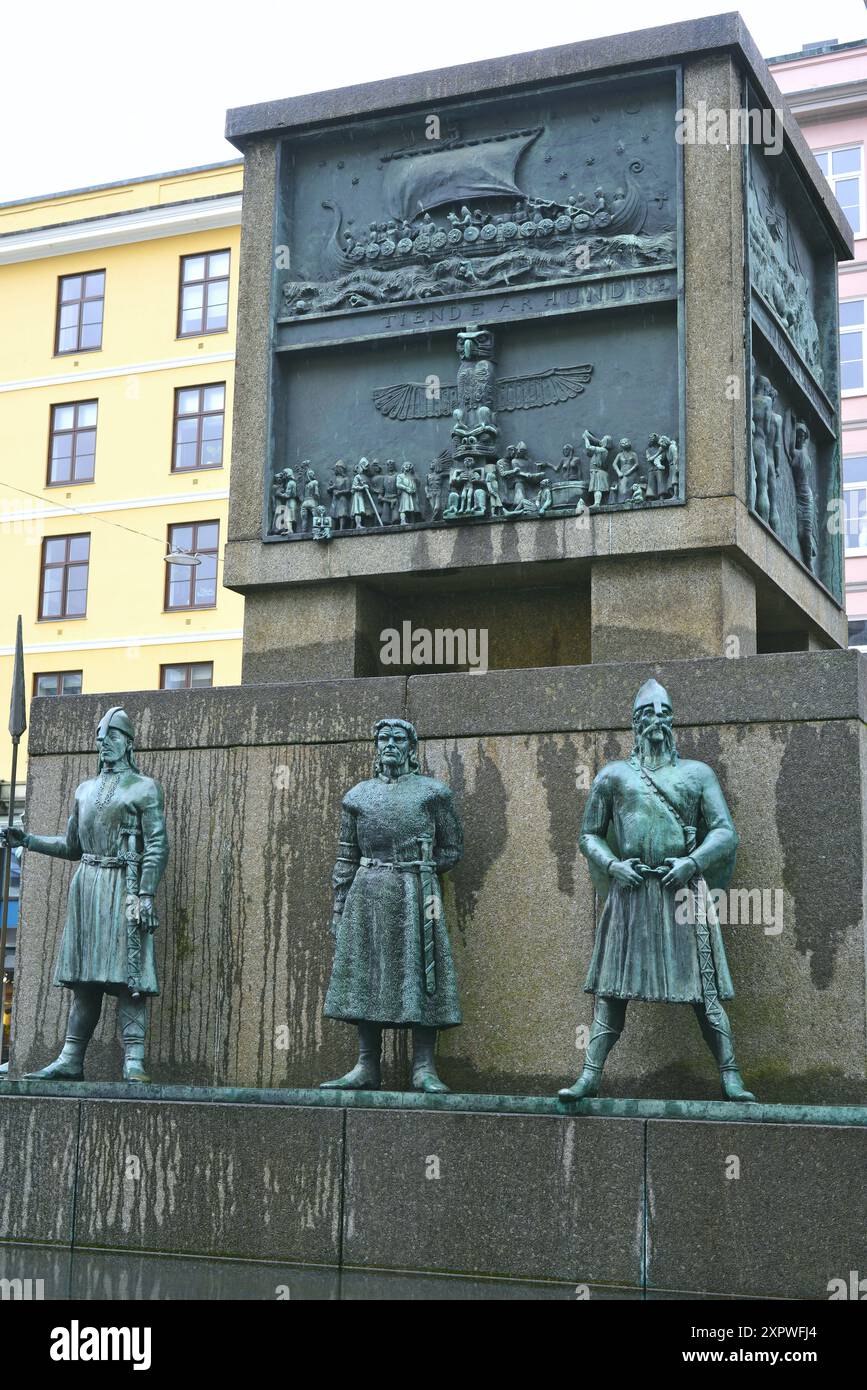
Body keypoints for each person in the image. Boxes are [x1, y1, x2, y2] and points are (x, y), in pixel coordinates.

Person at [559, 679, 755, 1103]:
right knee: (611, 994)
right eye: (646, 713)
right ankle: (590, 1074)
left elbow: (725, 833)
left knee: (706, 993)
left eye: (663, 712)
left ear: (672, 720)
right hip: (630, 893)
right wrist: (613, 865)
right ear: (634, 723)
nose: (656, 720)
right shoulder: (613, 775)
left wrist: (692, 862)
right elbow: (588, 835)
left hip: (682, 892)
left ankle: (731, 1075)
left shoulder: (697, 774)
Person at [1, 708, 168, 1083]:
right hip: (88, 887)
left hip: (124, 885)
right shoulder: (84, 790)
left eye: (111, 737)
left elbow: (157, 845)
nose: (102, 743)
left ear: (127, 742)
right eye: (99, 737)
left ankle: (134, 1061)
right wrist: (28, 840)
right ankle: (71, 1057)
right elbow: (72, 846)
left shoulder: (145, 788)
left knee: (130, 974)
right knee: (86, 978)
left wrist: (145, 894)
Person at [320, 718, 463, 1093]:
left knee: (423, 971)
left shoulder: (434, 794)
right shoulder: (357, 796)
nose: (390, 745)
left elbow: (452, 848)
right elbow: (344, 858)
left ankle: (424, 1066)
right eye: (383, 738)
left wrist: (422, 868)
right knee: (368, 973)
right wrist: (338, 908)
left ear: (411, 748)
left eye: (398, 739)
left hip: (418, 893)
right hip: (366, 894)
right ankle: (367, 1064)